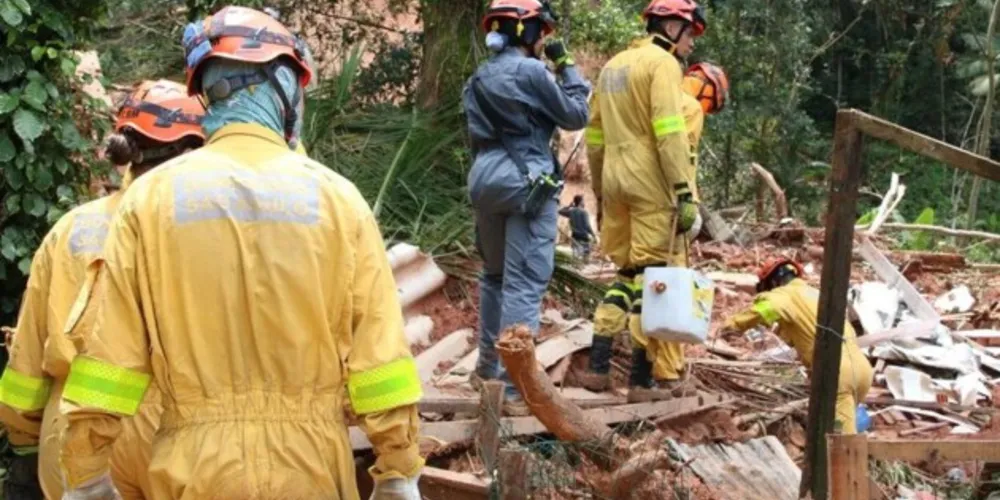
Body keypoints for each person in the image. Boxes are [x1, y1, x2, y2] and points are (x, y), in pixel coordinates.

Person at [56, 6, 423, 500]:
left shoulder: (149, 201)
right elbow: (381, 360)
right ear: (279, 83)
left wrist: (87, 473)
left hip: (192, 472)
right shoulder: (339, 201)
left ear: (209, 89)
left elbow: (109, 358)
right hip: (311, 470)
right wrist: (398, 468)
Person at [0, 80, 205, 500]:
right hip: (181, 434)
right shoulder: (212, 233)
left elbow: (28, 358)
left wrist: (24, 442)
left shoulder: (71, 230)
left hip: (77, 432)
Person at [464, 0, 590, 415]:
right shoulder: (533, 71)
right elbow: (575, 114)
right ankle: (514, 387)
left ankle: (486, 370)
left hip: (485, 177)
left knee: (494, 277)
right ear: (528, 32)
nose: (543, 40)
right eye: (542, 32)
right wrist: (567, 66)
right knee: (524, 282)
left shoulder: (479, 76)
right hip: (527, 182)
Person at [578, 0, 707, 401]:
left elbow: (594, 136)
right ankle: (641, 380)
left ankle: (598, 368)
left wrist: (600, 189)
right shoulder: (663, 65)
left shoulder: (614, 65)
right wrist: (684, 191)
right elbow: (669, 133)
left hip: (615, 180)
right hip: (651, 184)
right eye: (689, 35)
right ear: (671, 27)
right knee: (653, 280)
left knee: (626, 276)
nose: (690, 45)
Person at [721, 259, 874, 434]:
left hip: (837, 373)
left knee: (841, 443)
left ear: (774, 281)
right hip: (861, 369)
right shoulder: (816, 294)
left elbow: (767, 308)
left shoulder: (785, 294)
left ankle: (844, 458)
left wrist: (731, 325)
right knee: (835, 427)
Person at [559, 195, 596, 261]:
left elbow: (560, 211)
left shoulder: (571, 212)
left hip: (575, 237)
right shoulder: (584, 212)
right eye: (583, 201)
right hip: (584, 238)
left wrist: (569, 206)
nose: (584, 202)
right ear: (581, 202)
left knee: (576, 259)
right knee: (585, 259)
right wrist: (593, 235)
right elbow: (587, 226)